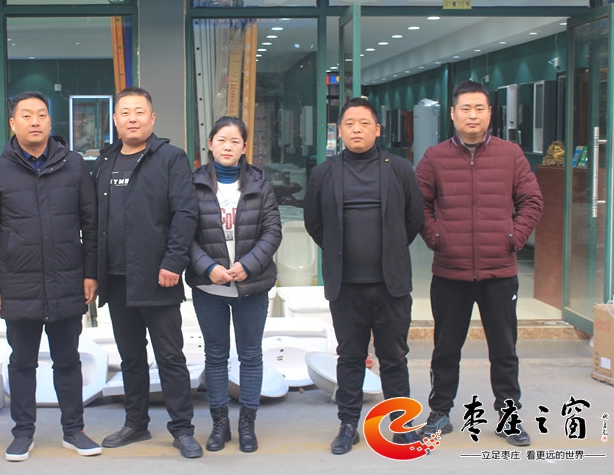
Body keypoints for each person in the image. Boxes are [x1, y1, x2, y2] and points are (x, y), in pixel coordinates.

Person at [0, 90, 101, 461]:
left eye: (41, 115)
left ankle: (74, 430)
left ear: (50, 121)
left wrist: (90, 273)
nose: (35, 122)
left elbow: (91, 226)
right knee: (22, 363)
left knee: (68, 360)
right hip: (18, 282)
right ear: (13, 123)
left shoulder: (74, 165)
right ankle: (22, 433)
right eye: (26, 115)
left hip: (67, 279)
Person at [415, 80, 543, 446]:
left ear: (489, 114)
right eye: (465, 109)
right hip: (450, 272)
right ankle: (440, 412)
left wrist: (513, 238)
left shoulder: (510, 155)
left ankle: (509, 416)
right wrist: (436, 238)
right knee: (445, 349)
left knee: (504, 350)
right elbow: (418, 203)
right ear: (453, 114)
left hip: (499, 272)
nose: (472, 115)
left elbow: (532, 200)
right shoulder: (435, 157)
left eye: (479, 108)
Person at [303, 97, 424, 455]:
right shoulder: (324, 173)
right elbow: (314, 223)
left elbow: (413, 219)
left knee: (394, 357)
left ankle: (401, 424)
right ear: (339, 131)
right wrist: (340, 251)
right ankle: (347, 426)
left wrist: (390, 251)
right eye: (349, 124)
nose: (357, 129)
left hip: (391, 284)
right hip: (346, 286)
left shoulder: (399, 169)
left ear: (377, 129)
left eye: (364, 123)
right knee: (350, 357)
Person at [93, 86, 203, 459]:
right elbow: (94, 221)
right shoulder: (104, 162)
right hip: (116, 278)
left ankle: (182, 429)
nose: (132, 119)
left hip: (159, 276)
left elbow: (185, 214)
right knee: (130, 357)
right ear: (115, 119)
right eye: (125, 112)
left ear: (152, 118)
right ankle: (135, 424)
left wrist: (173, 262)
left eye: (139, 112)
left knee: (170, 356)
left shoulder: (171, 158)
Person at [185, 116, 282, 453]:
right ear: (210, 144)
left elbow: (272, 232)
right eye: (221, 140)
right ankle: (219, 424)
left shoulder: (260, 184)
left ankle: (247, 425)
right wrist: (207, 267)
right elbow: (183, 234)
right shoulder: (193, 184)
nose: (227, 146)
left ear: (244, 148)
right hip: (209, 288)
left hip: (251, 287)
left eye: (235, 141)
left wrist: (248, 265)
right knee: (215, 356)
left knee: (251, 355)